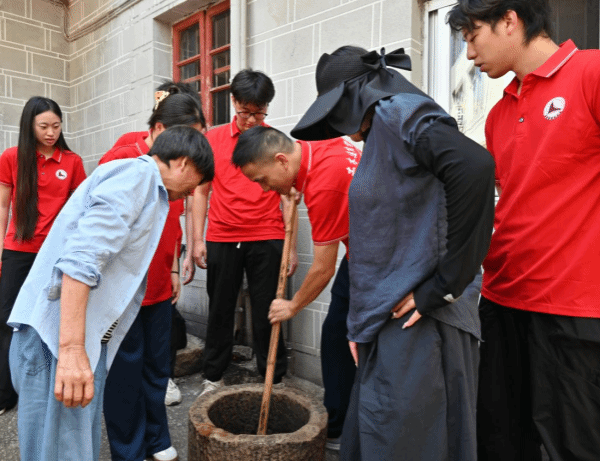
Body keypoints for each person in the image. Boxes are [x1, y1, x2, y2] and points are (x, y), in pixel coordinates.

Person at [290, 46, 495, 460]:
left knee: (410, 442)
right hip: (394, 317)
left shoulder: (397, 112)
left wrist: (446, 284)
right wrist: (362, 324)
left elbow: (474, 167)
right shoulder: (383, 130)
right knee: (386, 433)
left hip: (422, 323)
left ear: (355, 96)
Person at [447, 2, 600, 460]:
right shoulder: (498, 113)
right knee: (499, 441)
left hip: (572, 307)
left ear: (509, 21)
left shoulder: (591, 73)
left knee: (576, 446)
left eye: (473, 36)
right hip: (501, 298)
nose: (469, 53)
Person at [7, 125, 214, 461]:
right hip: (57, 339)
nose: (193, 192)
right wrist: (72, 351)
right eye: (197, 182)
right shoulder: (137, 177)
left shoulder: (149, 186)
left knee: (75, 446)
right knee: (59, 452)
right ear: (183, 164)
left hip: (75, 335)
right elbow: (79, 263)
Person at [232, 125, 360, 450]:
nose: (264, 189)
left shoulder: (324, 187)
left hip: (379, 259)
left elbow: (323, 268)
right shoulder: (315, 147)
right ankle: (341, 424)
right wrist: (294, 186)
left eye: (263, 180)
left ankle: (346, 430)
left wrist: (292, 305)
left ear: (281, 160)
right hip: (363, 250)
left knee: (343, 340)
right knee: (337, 335)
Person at [99, 82, 205, 461]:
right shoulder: (124, 157)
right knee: (124, 372)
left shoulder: (179, 165)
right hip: (125, 287)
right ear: (159, 129)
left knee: (158, 366)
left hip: (159, 279)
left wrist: (174, 268)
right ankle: (128, 449)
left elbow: (172, 221)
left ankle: (157, 438)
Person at [192, 69, 296, 395]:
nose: (251, 119)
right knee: (220, 309)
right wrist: (196, 239)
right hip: (222, 235)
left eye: (259, 112)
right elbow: (200, 191)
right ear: (233, 101)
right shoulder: (213, 140)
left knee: (268, 310)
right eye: (245, 111)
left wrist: (291, 246)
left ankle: (273, 376)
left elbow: (288, 195)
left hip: (268, 234)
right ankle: (213, 375)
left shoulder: (276, 141)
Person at [0, 96, 86, 419]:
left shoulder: (72, 161)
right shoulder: (12, 157)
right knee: (8, 321)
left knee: (52, 320)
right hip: (19, 251)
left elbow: (79, 209)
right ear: (29, 126)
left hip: (56, 254)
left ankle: (47, 386)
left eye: (56, 126)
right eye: (43, 126)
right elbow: (3, 205)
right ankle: (1, 393)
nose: (51, 132)